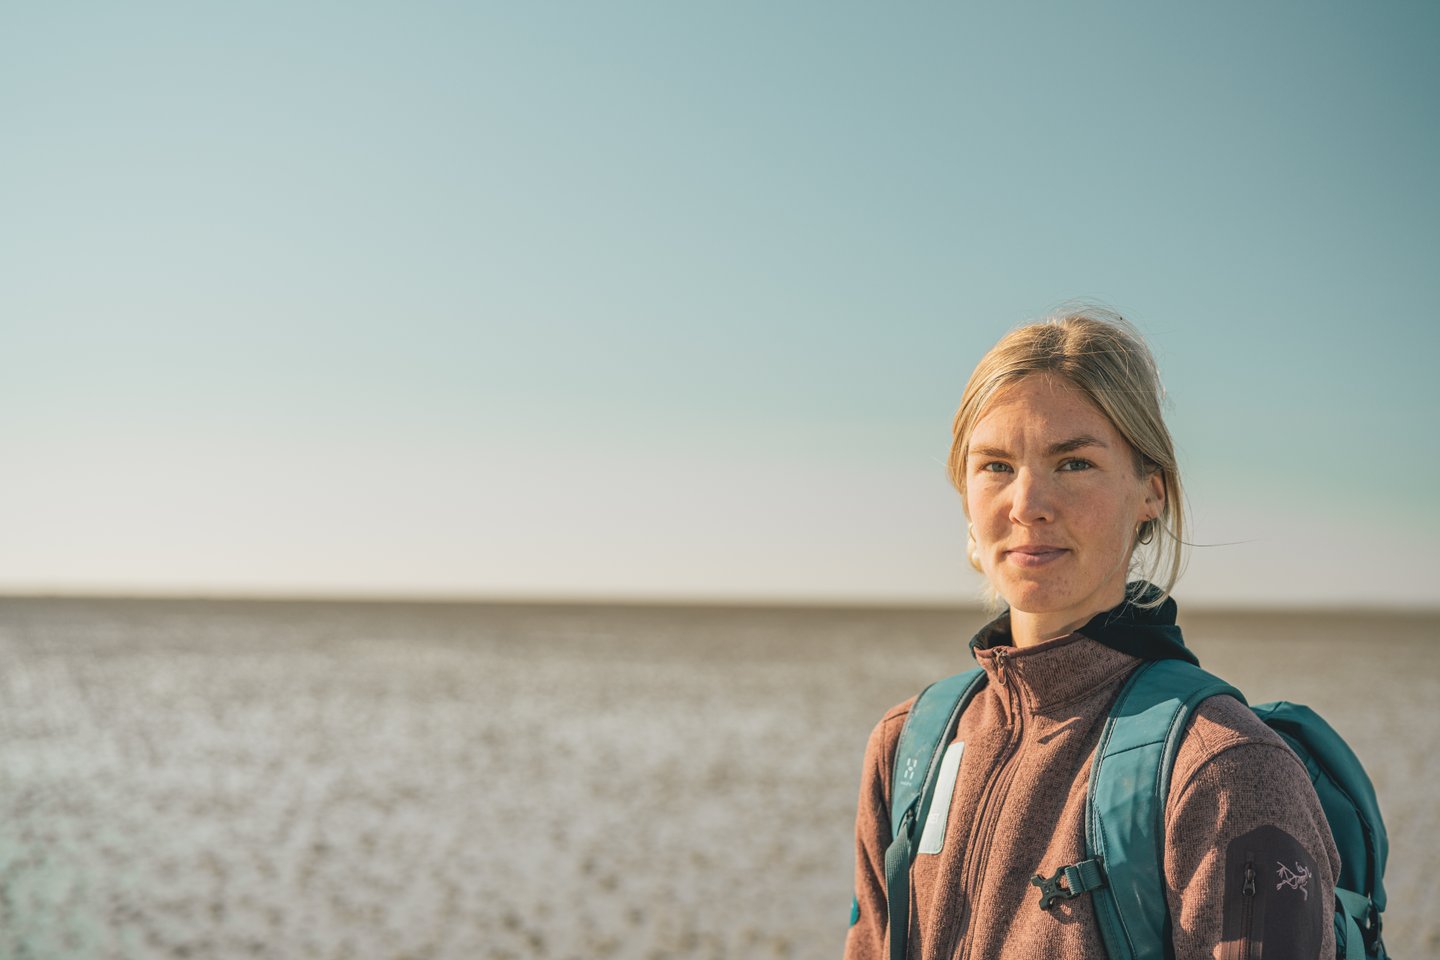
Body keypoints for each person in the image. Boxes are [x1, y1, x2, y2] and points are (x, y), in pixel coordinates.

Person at [844, 309, 1339, 960]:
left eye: (1073, 463)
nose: (1027, 503)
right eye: (994, 465)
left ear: (1150, 493)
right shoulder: (909, 748)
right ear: (965, 495)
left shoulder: (1224, 769)